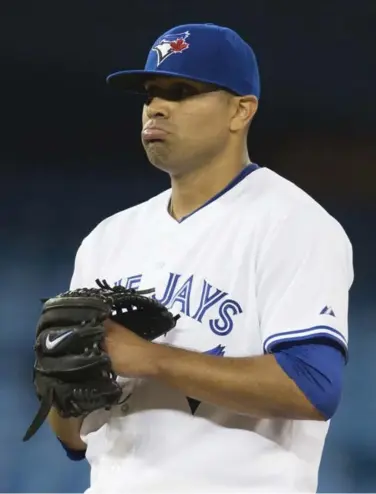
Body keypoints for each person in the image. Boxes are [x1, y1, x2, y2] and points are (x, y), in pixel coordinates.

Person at [48, 23, 354, 493]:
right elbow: (76, 441)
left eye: (182, 90)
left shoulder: (293, 224)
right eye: (150, 92)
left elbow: (313, 385)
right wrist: (62, 385)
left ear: (240, 111)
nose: (156, 106)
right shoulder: (107, 239)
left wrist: (150, 359)